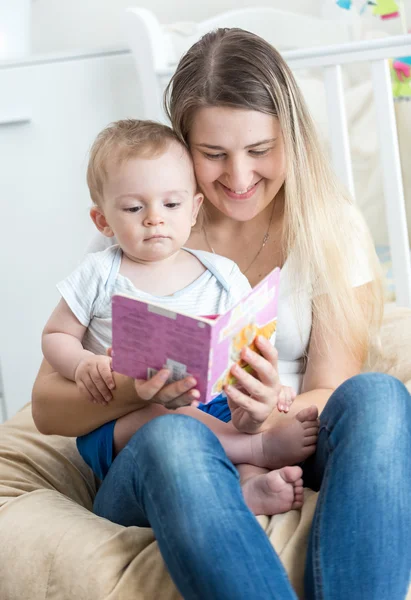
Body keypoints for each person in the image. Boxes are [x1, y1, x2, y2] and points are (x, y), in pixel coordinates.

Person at [32, 28, 411, 600]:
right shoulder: (142, 231)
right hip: (163, 453)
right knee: (178, 438)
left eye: (259, 151)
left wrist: (268, 412)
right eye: (212, 155)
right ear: (182, 147)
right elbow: (46, 407)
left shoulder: (329, 226)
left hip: (284, 437)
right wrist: (141, 391)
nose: (238, 177)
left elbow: (330, 387)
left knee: (381, 396)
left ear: (291, 139)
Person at [41, 118, 319, 516]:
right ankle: (255, 451)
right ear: (102, 221)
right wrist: (83, 363)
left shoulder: (221, 274)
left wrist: (269, 386)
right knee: (160, 417)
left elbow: (255, 340)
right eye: (135, 208)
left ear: (193, 209)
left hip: (213, 407)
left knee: (241, 415)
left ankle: (248, 485)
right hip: (129, 418)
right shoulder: (99, 272)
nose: (154, 218)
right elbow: (55, 334)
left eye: (170, 204)